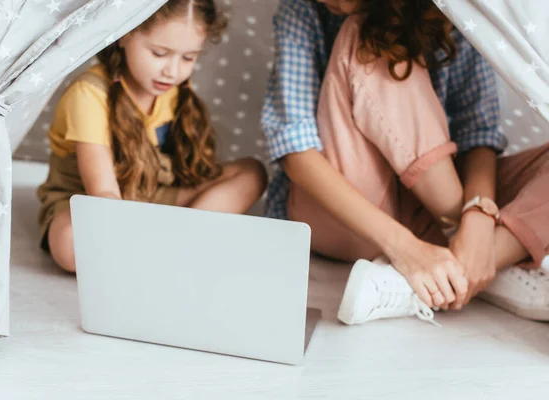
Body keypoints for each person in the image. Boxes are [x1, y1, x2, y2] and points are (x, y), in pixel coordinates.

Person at [261, 0, 549, 325]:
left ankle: (463, 269)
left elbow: (478, 134)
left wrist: (479, 217)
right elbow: (296, 154)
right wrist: (406, 249)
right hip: (347, 212)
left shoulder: (455, 13)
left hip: (433, 211)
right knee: (368, 34)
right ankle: (484, 264)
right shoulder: (302, 11)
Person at [37, 0, 268, 273]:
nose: (172, 71)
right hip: (92, 201)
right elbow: (103, 193)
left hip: (149, 194)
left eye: (188, 58)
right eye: (160, 53)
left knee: (252, 173)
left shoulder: (172, 88)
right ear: (125, 34)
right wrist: (126, 228)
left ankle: (181, 238)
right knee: (70, 244)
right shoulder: (89, 94)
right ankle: (177, 243)